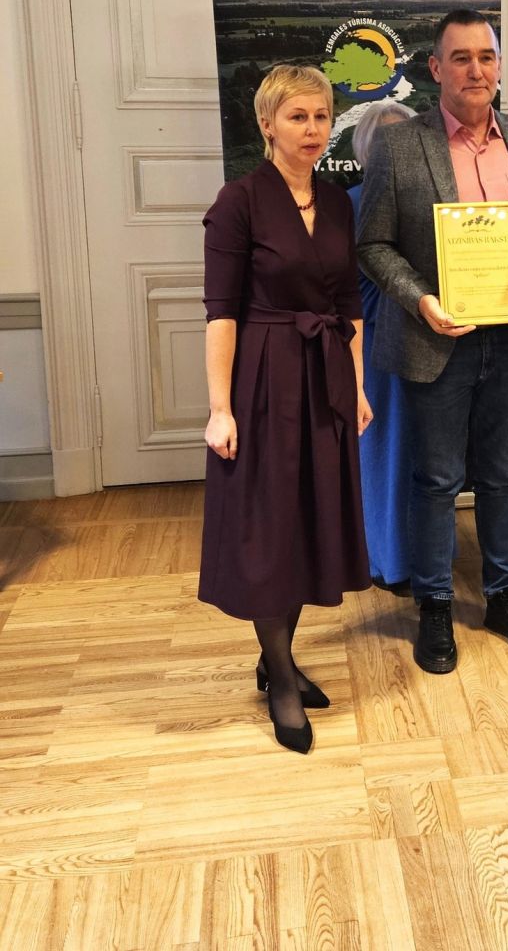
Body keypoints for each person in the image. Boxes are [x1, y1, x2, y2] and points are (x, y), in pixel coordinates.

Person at [357, 9, 508, 673]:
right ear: (435, 68)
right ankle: (435, 606)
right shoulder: (400, 146)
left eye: (486, 56)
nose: (476, 70)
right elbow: (373, 244)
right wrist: (421, 299)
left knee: (503, 476)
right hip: (436, 339)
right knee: (438, 479)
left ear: (499, 65)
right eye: (461, 57)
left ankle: (505, 597)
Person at [201, 64, 373, 755]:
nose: (312, 129)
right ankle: (278, 675)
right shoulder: (239, 201)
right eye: (297, 117)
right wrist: (220, 408)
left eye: (321, 116)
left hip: (324, 375)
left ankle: (278, 657)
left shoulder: (336, 202)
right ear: (267, 124)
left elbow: (348, 305)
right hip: (263, 379)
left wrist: (356, 387)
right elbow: (220, 313)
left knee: (307, 520)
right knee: (269, 528)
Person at [346, 100, 418, 595]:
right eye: (385, 143)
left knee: (424, 456)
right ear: (366, 151)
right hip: (373, 346)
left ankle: (424, 554)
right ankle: (387, 560)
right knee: (382, 453)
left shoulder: (432, 202)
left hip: (428, 343)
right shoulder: (350, 204)